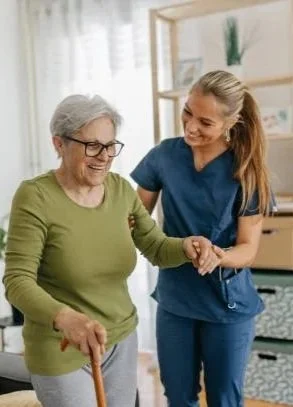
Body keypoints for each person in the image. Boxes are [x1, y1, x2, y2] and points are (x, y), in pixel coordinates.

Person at [3, 94, 220, 407]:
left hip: (120, 338)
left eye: (110, 145)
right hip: (61, 345)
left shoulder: (119, 190)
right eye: (92, 145)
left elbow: (156, 247)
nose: (104, 156)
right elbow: (17, 281)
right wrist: (65, 318)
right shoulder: (35, 197)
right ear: (59, 144)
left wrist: (187, 246)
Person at [131, 70, 275, 407]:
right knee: (178, 396)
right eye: (187, 112)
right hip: (176, 300)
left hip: (227, 304)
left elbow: (247, 249)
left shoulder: (246, 170)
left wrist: (218, 255)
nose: (191, 126)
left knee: (224, 399)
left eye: (205, 122)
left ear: (231, 122)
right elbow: (134, 219)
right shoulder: (164, 156)